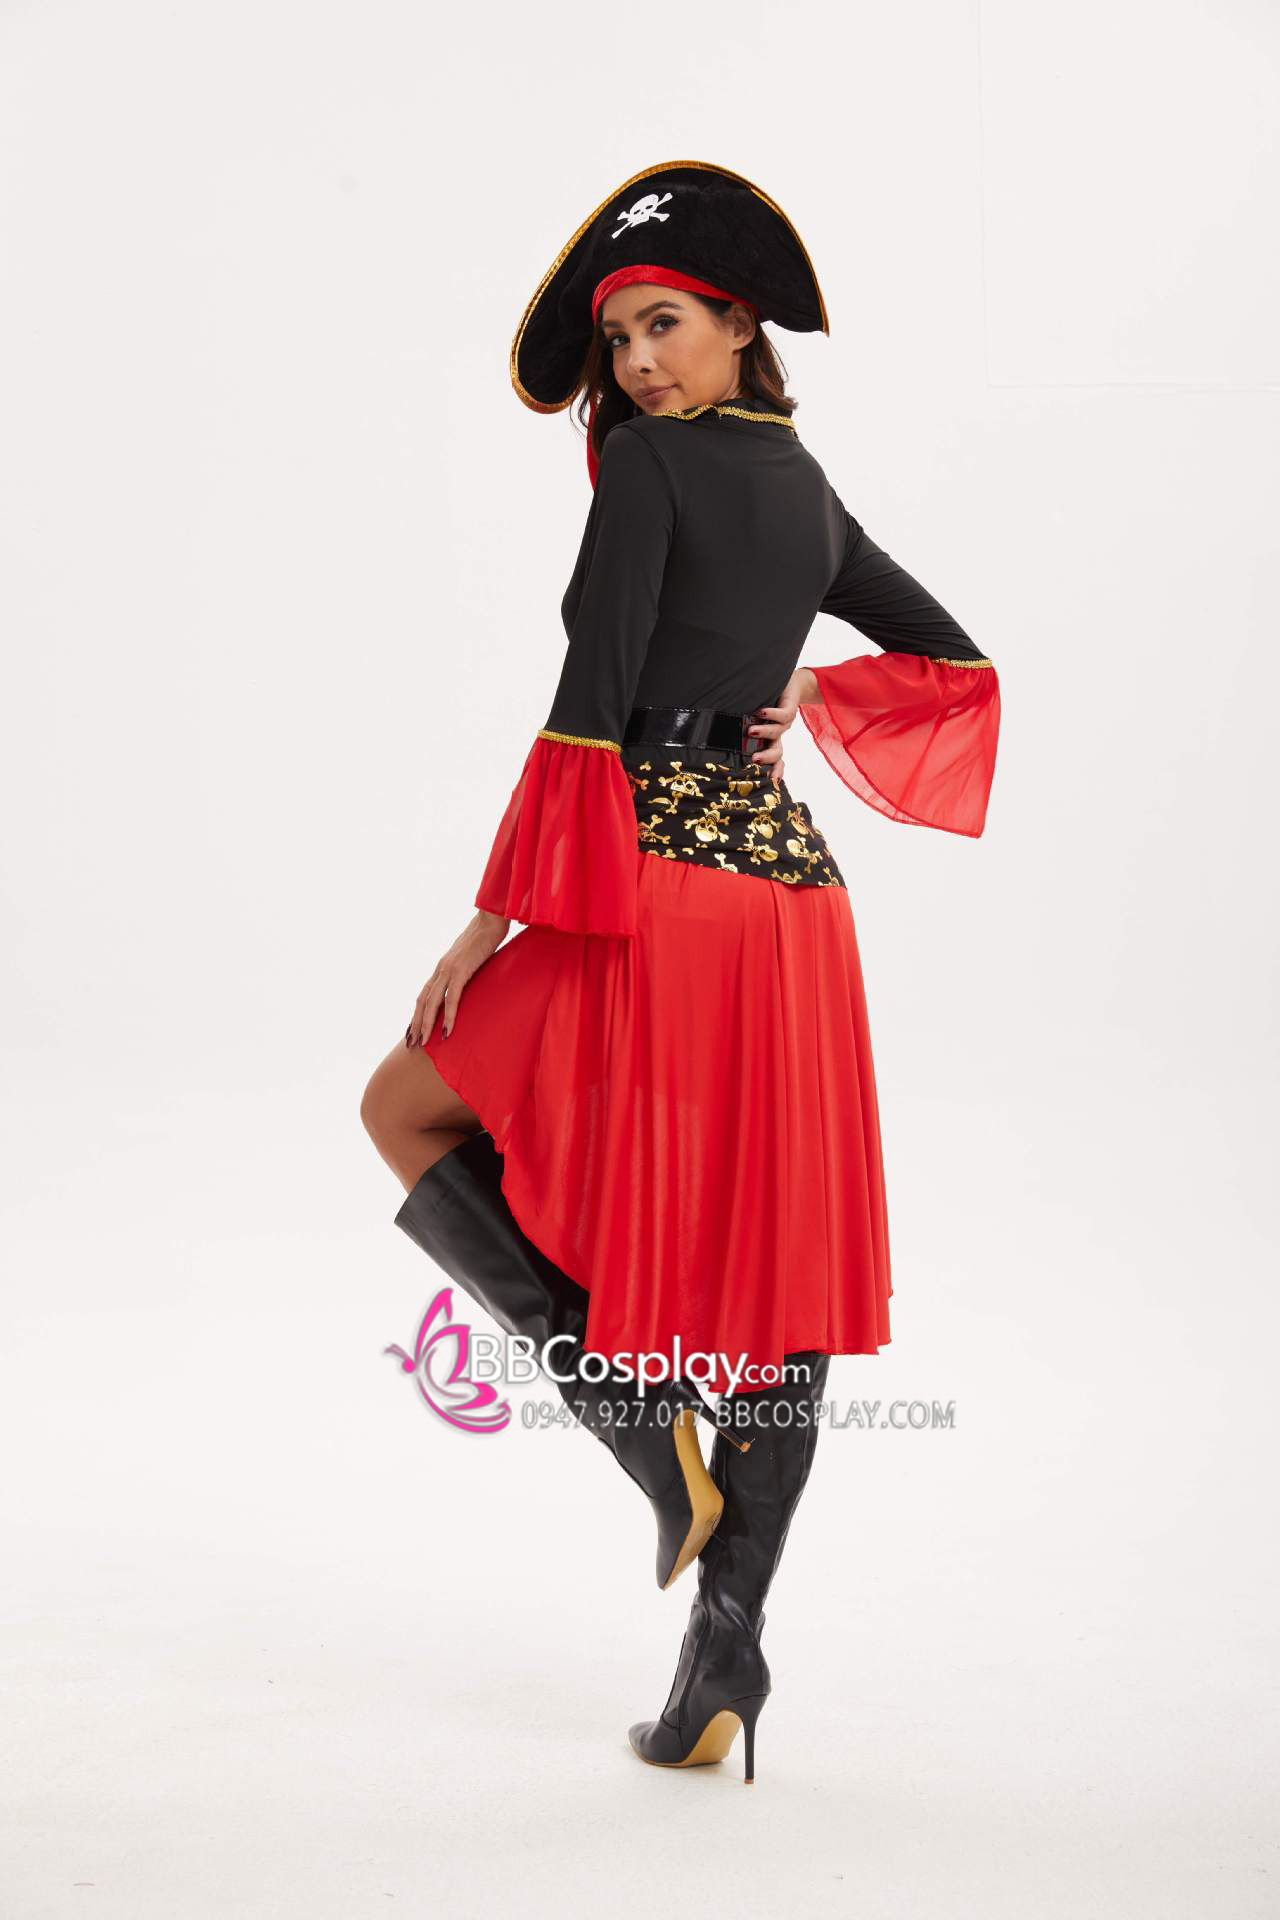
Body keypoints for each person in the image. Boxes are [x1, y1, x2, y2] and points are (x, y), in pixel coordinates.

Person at [360, 159, 1001, 1783]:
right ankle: (729, 1645)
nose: (640, 363)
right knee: (779, 1263)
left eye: (664, 325)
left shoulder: (652, 468)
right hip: (791, 912)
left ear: (736, 324)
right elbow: (953, 660)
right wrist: (813, 706)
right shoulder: (805, 483)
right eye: (622, 340)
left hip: (651, 888)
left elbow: (593, 697)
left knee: (403, 1105)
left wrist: (488, 922)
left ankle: (642, 1430)